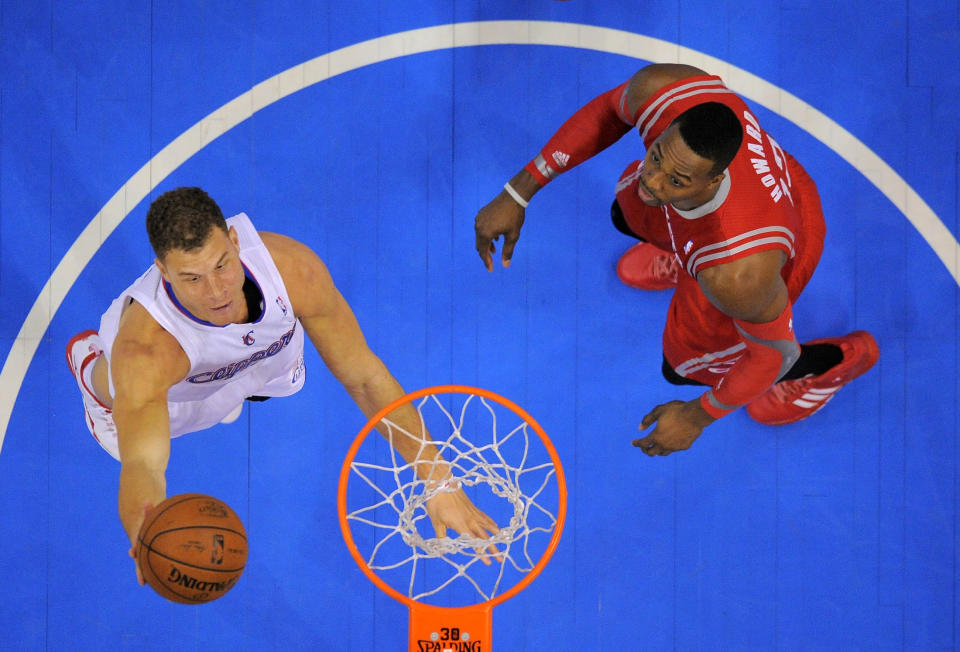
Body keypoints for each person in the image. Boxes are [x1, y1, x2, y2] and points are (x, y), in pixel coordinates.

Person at [67, 187, 499, 583]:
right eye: (192, 279)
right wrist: (146, 528)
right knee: (118, 390)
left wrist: (438, 479)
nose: (217, 291)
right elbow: (143, 464)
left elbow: (365, 377)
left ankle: (233, 380)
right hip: (179, 396)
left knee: (265, 369)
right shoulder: (146, 351)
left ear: (235, 241)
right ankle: (90, 368)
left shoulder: (291, 270)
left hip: (265, 356)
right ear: (162, 271)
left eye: (222, 265)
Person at [474, 63, 878, 457]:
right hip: (720, 220)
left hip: (766, 244)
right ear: (666, 128)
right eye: (654, 158)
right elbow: (610, 111)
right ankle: (686, 257)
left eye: (675, 180)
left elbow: (774, 354)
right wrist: (518, 192)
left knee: (683, 368)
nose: (652, 180)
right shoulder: (665, 90)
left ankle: (839, 361)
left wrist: (698, 416)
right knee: (626, 211)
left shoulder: (736, 276)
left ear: (713, 180)